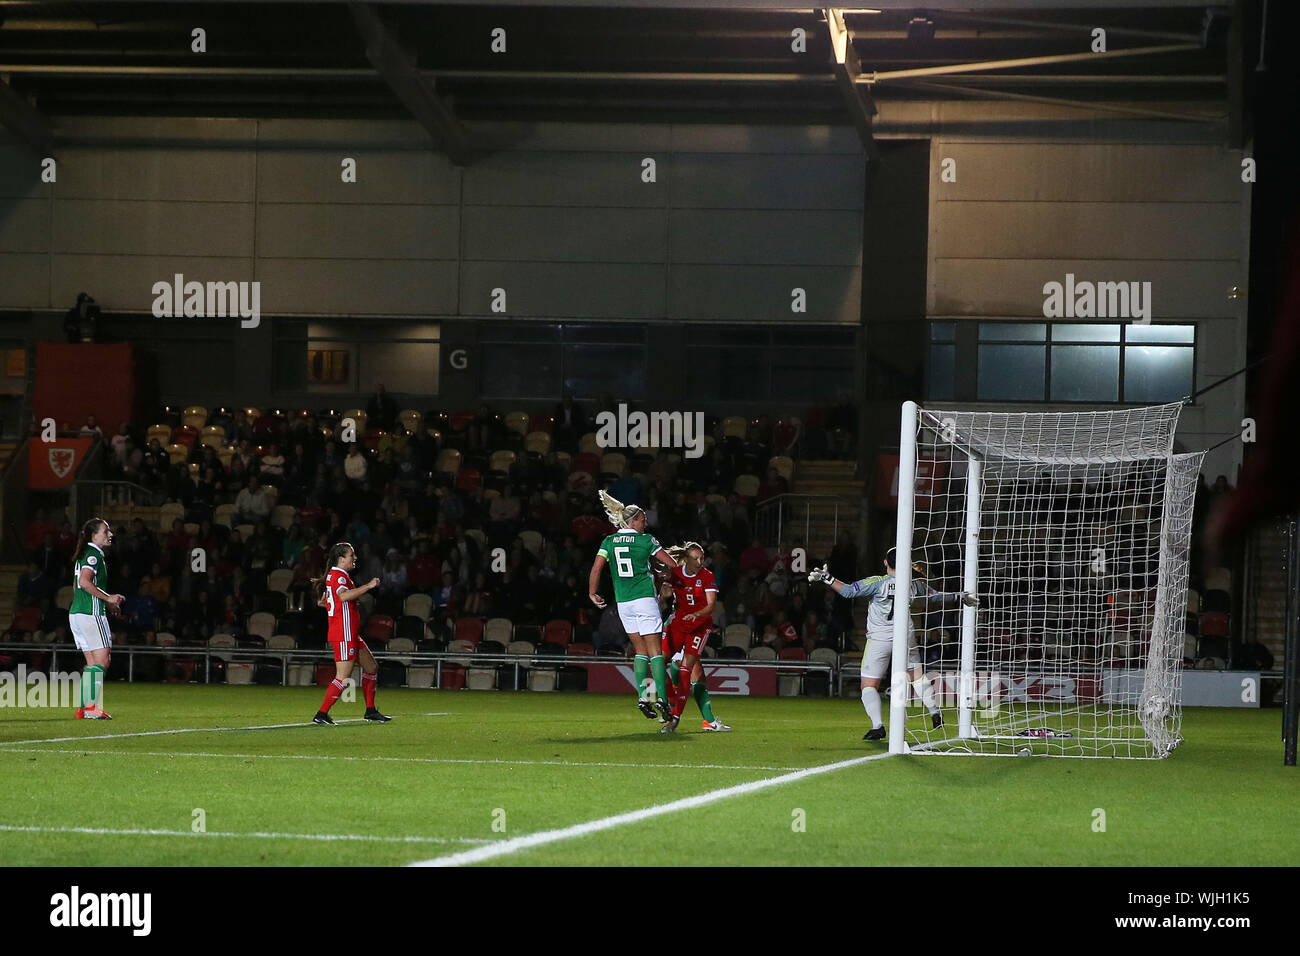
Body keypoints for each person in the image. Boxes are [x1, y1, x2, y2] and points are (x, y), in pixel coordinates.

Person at [809, 548, 978, 741]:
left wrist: (826, 578)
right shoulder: (914, 585)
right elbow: (935, 596)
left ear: (885, 563)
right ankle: (934, 712)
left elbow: (848, 592)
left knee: (869, 685)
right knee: (916, 676)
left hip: (880, 638)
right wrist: (960, 597)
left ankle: (878, 726)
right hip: (905, 635)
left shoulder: (877, 582)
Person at [588, 489, 678, 721]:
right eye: (642, 519)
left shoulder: (609, 541)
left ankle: (643, 695)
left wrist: (592, 592)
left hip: (624, 602)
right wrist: (670, 573)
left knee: (640, 651)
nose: (646, 522)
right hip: (644, 599)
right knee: (656, 652)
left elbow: (597, 569)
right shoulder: (646, 540)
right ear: (633, 520)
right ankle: (662, 700)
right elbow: (671, 563)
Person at [311, 541, 390, 725]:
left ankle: (370, 710)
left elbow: (322, 602)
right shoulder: (338, 576)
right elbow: (344, 596)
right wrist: (368, 586)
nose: (355, 558)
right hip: (344, 633)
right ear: (341, 559)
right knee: (343, 676)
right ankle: (321, 714)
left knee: (371, 667)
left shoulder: (336, 575)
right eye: (351, 555)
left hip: (350, 633)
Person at [658, 542, 730, 733]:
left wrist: (696, 615)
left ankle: (682, 716)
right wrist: (663, 586)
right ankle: (673, 708)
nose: (700, 562)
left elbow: (710, 605)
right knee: (667, 666)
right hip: (676, 626)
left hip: (697, 627)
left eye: (701, 558)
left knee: (692, 673)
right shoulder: (676, 573)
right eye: (695, 558)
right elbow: (664, 598)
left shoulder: (706, 576)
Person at [68, 518, 125, 719]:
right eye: (105, 531)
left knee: (92, 662)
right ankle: (91, 708)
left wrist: (105, 602)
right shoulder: (93, 555)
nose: (110, 535)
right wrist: (108, 598)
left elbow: (78, 586)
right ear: (94, 536)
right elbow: (84, 581)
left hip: (77, 612)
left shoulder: (83, 554)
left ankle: (84, 707)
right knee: (103, 660)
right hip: (90, 614)